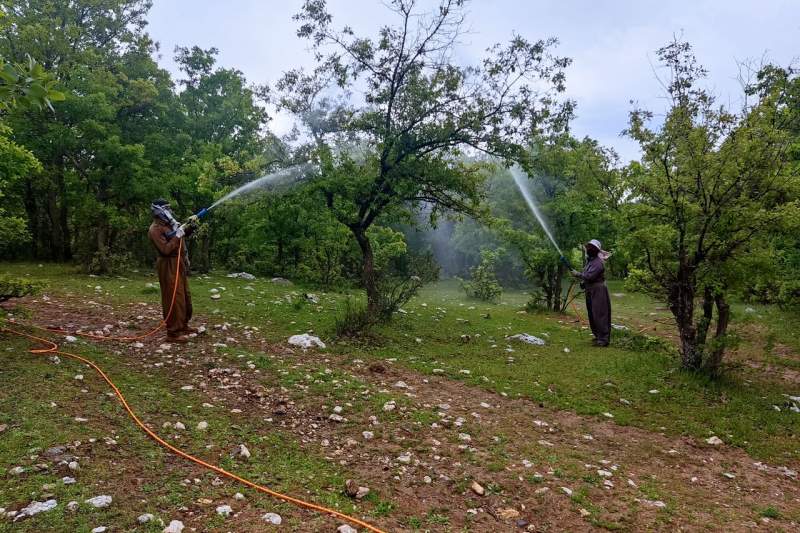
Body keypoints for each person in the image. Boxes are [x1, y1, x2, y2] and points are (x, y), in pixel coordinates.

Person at [148, 199, 198, 343]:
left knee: (184, 296)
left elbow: (181, 236)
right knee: (173, 297)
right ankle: (173, 333)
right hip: (168, 264)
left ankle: (183, 325)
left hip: (179, 264)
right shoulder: (155, 229)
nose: (170, 211)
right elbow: (165, 249)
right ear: (159, 210)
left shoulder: (171, 225)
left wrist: (190, 227)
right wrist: (177, 235)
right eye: (167, 208)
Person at [571, 239, 612, 347]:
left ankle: (604, 339)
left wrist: (578, 274)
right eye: (588, 247)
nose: (589, 249)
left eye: (591, 247)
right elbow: (587, 276)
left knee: (600, 314)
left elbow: (589, 276)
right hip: (590, 290)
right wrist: (583, 283)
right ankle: (598, 336)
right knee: (592, 314)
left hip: (598, 291)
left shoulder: (598, 262)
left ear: (596, 250)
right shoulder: (590, 261)